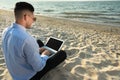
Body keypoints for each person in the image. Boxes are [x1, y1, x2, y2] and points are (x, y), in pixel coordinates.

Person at [2, 2, 66, 80]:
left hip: (15, 71)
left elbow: (18, 50)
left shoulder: (6, 31)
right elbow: (39, 67)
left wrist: (37, 50)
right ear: (25, 17)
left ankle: (40, 52)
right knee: (62, 54)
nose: (33, 21)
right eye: (33, 18)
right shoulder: (27, 39)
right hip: (29, 77)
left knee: (38, 42)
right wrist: (44, 55)